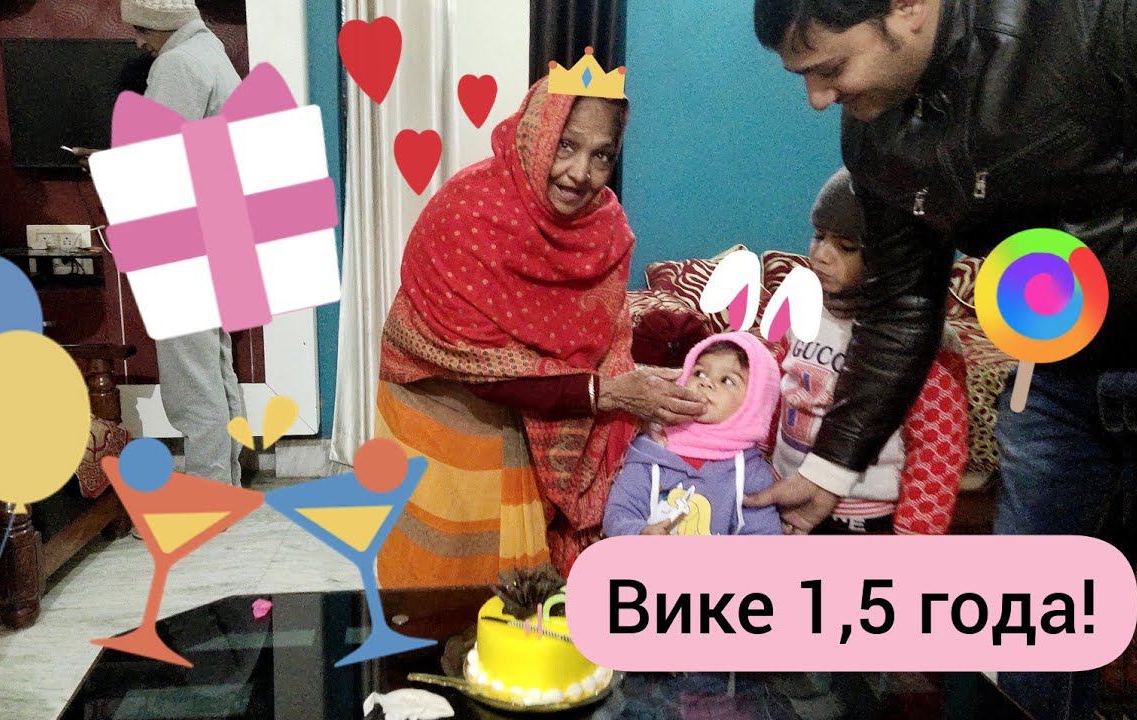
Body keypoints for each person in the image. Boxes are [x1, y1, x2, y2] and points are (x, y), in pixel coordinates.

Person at [749, 0, 1136, 717]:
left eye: (830, 68)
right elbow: (901, 306)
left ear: (909, 6)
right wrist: (828, 472)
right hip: (1052, 384)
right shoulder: (872, 130)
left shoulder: (1094, 20)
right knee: (1031, 642)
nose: (817, 99)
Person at [377, 75, 708, 586]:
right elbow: (473, 362)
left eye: (602, 155)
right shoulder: (465, 213)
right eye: (566, 145)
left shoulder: (606, 230)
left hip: (543, 418)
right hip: (446, 417)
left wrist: (636, 384)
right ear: (537, 132)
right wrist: (609, 393)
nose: (580, 173)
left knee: (525, 598)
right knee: (445, 588)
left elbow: (605, 344)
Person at [82, 0, 246, 486]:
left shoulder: (178, 65)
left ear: (161, 21)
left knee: (191, 383)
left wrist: (104, 164)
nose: (138, 41)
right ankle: (225, 480)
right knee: (215, 368)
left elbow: (153, 164)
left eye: (141, 28)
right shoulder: (212, 53)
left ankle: (208, 490)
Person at [771, 167, 967, 535]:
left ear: (892, 258)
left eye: (846, 246)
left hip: (864, 518)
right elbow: (775, 395)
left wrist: (914, 535)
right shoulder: (799, 310)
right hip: (785, 495)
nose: (821, 255)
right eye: (818, 237)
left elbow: (938, 447)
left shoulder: (926, 344)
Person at [604, 333, 784, 537]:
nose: (706, 383)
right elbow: (618, 514)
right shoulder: (650, 450)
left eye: (727, 380)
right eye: (699, 373)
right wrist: (639, 533)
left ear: (755, 402)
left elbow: (764, 538)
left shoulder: (752, 473)